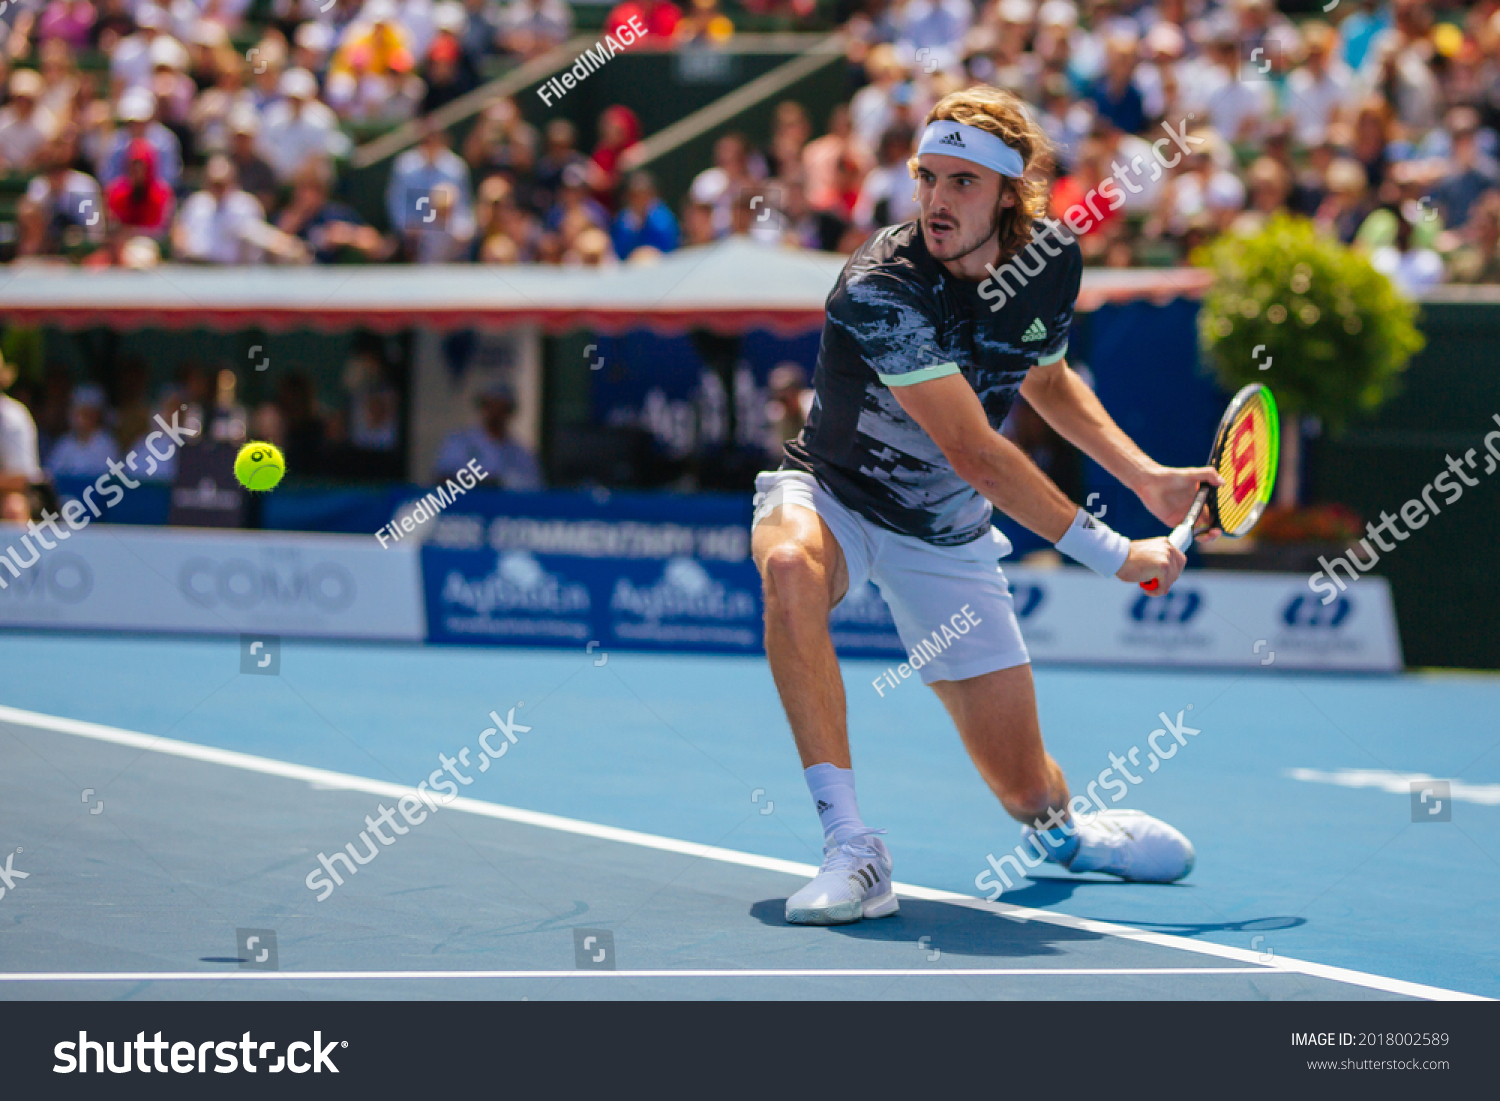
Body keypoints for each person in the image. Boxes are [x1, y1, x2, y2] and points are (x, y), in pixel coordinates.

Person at [751, 85, 1216, 926]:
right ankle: (853, 848)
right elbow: (975, 450)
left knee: (1024, 785)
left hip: (948, 535)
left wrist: (1146, 476)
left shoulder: (1052, 262)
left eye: (963, 182)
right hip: (835, 496)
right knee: (787, 567)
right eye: (928, 177)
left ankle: (1069, 835)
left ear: (1012, 195)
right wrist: (1119, 553)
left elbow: (1046, 381)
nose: (935, 199)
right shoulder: (881, 287)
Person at [433, 382, 541, 488]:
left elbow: (534, 489)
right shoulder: (459, 442)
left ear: (510, 411)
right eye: (492, 406)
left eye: (502, 407)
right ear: (483, 407)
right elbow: (443, 478)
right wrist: (487, 484)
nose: (496, 412)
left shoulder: (521, 453)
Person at [0, 351, 43, 523]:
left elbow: (22, 479)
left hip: (8, 498)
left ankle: (18, 550)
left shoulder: (13, 417)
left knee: (14, 506)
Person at [45, 383, 117, 479]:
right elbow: (51, 475)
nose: (80, 419)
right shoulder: (64, 443)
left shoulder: (107, 444)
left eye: (86, 413)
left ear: (96, 415)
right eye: (77, 412)